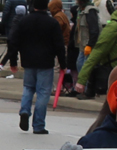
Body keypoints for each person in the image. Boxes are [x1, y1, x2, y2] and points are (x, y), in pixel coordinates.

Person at [9, 0, 67, 134]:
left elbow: (14, 41)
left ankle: (24, 110)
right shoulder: (52, 23)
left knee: (28, 88)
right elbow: (59, 45)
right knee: (43, 92)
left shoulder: (24, 21)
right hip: (46, 61)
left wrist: (13, 61)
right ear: (46, 5)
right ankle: (38, 124)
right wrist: (63, 64)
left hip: (28, 60)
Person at [48, 0, 71, 94]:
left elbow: (56, 29)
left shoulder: (58, 17)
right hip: (65, 43)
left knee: (56, 67)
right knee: (60, 67)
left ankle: (57, 88)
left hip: (61, 44)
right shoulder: (62, 15)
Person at [74, 0, 101, 74]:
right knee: (79, 65)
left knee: (85, 70)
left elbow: (94, 30)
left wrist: (90, 45)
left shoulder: (90, 11)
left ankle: (85, 85)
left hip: (89, 46)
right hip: (83, 46)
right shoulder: (80, 10)